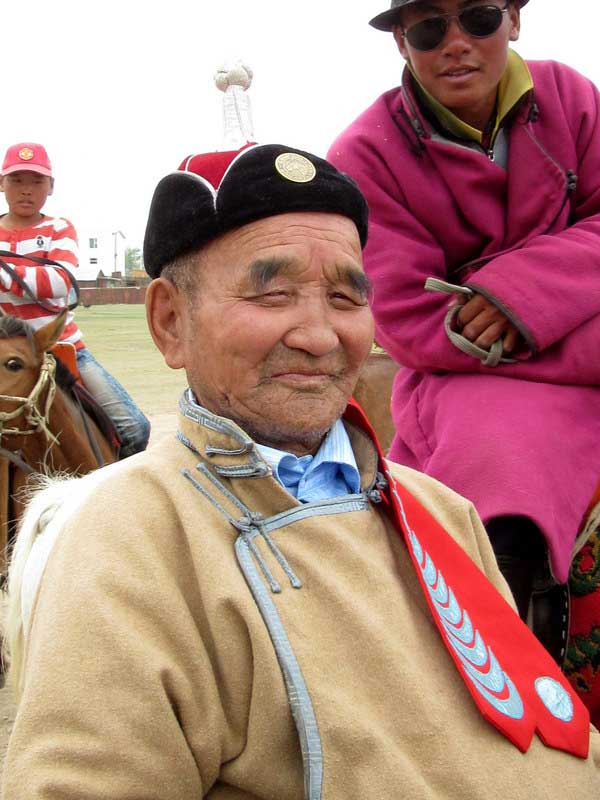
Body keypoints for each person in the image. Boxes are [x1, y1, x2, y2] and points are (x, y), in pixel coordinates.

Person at [1, 142, 598, 798]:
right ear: (171, 322)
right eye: (273, 294)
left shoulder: (441, 510)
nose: (320, 335)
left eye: (345, 298)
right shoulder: (128, 542)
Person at [327, 0, 600, 655]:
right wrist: (568, 329)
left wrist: (518, 295)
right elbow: (409, 317)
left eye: (477, 17)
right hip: (466, 372)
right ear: (400, 41)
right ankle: (500, 669)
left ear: (513, 19)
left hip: (546, 337)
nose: (456, 43)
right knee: (501, 488)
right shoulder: (364, 155)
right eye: (429, 27)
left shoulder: (571, 98)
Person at [0, 141, 150, 458]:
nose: (26, 189)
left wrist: (5, 274)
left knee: (134, 428)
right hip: (5, 357)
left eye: (36, 181)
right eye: (16, 180)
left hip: (62, 349)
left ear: (51, 186)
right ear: (2, 183)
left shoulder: (58, 229)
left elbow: (60, 282)